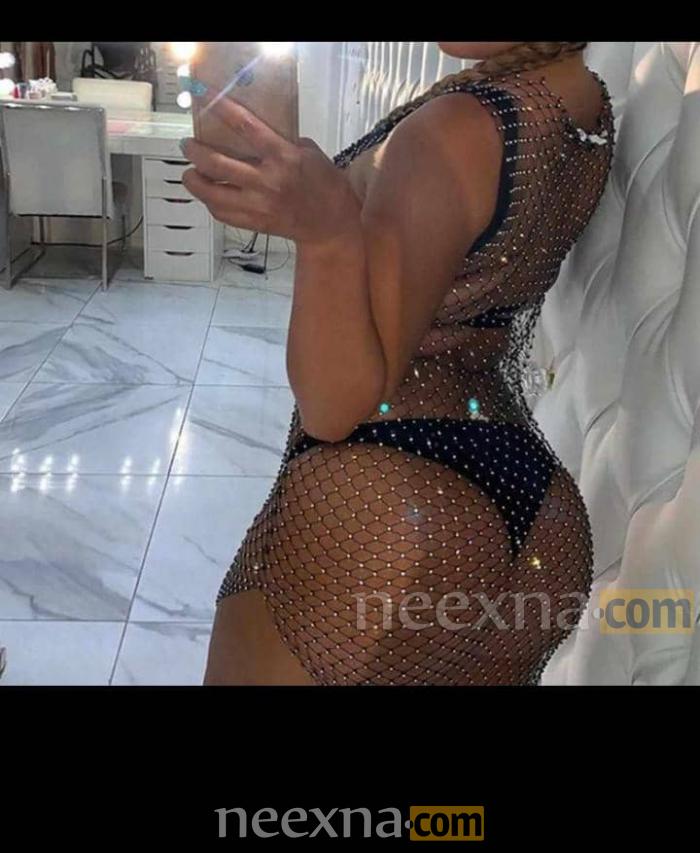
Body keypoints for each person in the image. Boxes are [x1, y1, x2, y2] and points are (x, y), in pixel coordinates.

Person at [180, 41, 615, 685]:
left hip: (385, 501)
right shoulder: (580, 102)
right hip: (540, 514)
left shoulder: (455, 128)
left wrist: (326, 235)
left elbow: (337, 406)